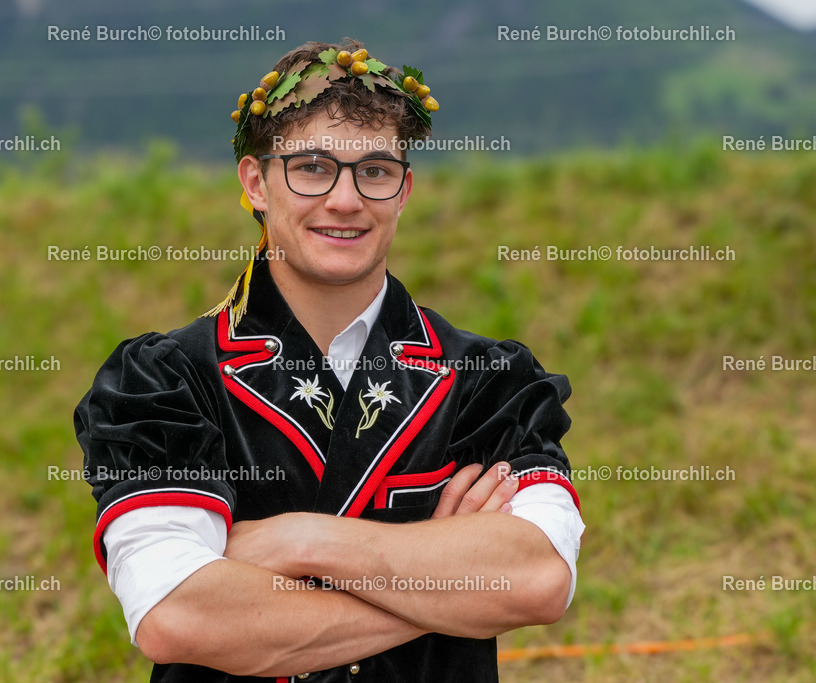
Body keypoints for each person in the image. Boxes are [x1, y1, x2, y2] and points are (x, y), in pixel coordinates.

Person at [75, 37, 584, 682]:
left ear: (403, 190)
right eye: (312, 167)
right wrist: (451, 591)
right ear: (255, 182)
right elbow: (179, 616)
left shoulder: (492, 383)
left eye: (375, 170)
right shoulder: (164, 381)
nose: (346, 201)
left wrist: (296, 542)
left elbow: (537, 579)